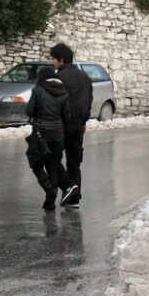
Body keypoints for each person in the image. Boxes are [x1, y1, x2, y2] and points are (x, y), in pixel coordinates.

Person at [25, 67, 79, 211]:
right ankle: (50, 202)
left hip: (41, 134)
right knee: (53, 166)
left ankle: (50, 191)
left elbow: (29, 111)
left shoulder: (37, 90)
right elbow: (67, 117)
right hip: (58, 134)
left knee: (35, 163)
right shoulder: (63, 92)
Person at [51, 43, 93, 209]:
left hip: (61, 125)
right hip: (78, 125)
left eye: (53, 58)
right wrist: (84, 121)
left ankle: (67, 187)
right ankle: (73, 199)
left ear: (61, 59)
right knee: (74, 162)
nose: (52, 61)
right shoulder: (85, 77)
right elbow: (89, 100)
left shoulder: (58, 78)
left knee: (51, 157)